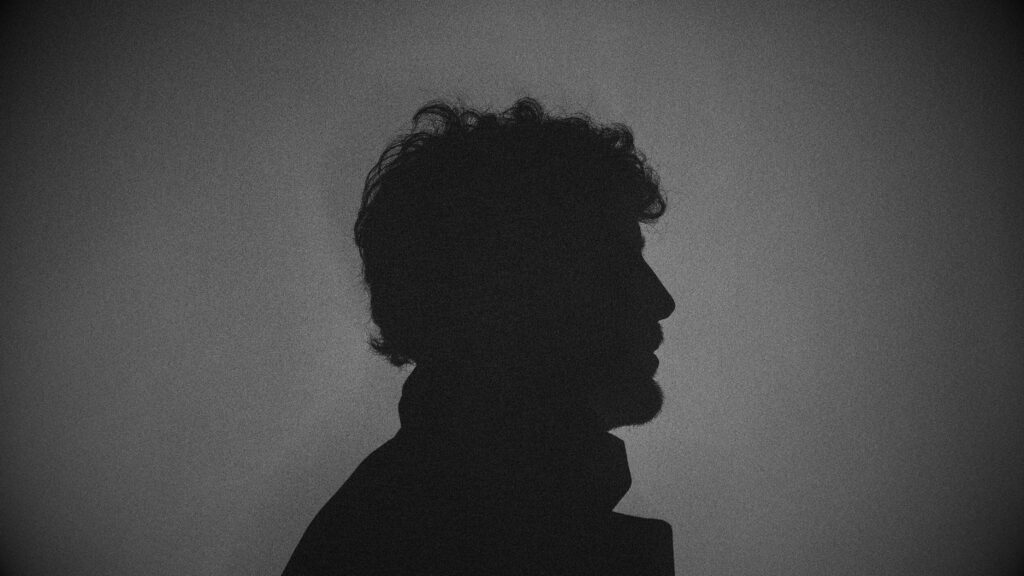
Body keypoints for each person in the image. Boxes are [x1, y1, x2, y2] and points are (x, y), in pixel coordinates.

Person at [282, 97, 677, 575]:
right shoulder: (422, 541)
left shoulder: (393, 519)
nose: (662, 300)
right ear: (509, 289)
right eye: (617, 263)